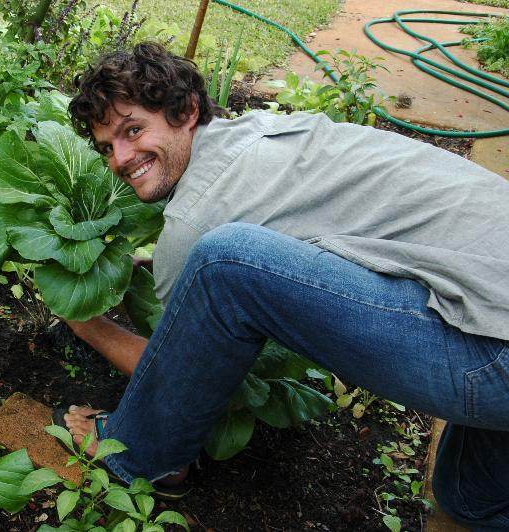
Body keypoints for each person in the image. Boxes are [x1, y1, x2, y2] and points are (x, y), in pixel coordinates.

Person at [56, 42, 509, 529]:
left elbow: (178, 373)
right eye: (107, 147)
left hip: (494, 349)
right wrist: (146, 265)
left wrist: (87, 323)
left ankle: (143, 457)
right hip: (490, 287)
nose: (121, 159)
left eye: (133, 130)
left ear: (186, 112)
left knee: (223, 261)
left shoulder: (193, 222)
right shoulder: (261, 133)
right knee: (468, 498)